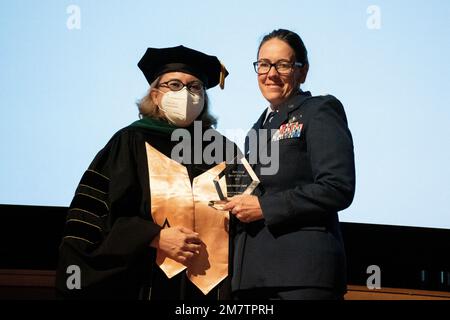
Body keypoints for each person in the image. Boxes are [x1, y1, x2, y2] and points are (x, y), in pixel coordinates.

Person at [55, 45, 235, 299]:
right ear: (155, 95)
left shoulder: (225, 152)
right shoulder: (129, 143)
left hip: (217, 292)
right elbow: (97, 217)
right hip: (146, 283)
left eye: (195, 87)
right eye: (174, 85)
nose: (185, 93)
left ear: (204, 97)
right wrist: (153, 236)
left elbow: (245, 219)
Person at [224, 29, 356, 300]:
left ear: (302, 71)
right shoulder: (255, 130)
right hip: (251, 280)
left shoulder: (319, 110)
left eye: (282, 65)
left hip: (302, 276)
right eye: (263, 64)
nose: (271, 73)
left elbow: (337, 187)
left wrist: (264, 207)